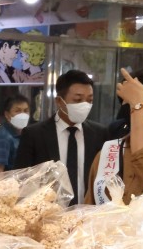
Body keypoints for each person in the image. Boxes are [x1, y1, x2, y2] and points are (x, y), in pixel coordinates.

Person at [14, 69, 106, 205]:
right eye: (78, 100)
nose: (85, 105)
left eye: (89, 100)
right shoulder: (34, 134)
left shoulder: (100, 134)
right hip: (48, 216)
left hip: (89, 215)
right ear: (59, 101)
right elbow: (21, 180)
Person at [87, 68, 143, 204]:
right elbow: (89, 207)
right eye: (127, 102)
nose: (133, 106)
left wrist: (138, 105)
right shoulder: (108, 152)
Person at [0, 94, 31, 173]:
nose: (23, 114)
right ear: (7, 115)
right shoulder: (3, 137)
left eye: (26, 111)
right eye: (17, 111)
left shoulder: (26, 134)